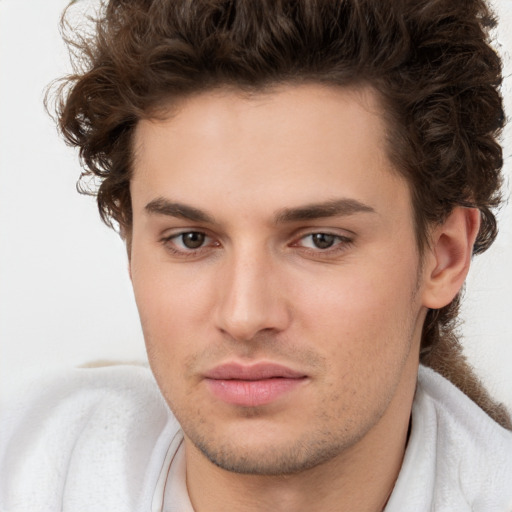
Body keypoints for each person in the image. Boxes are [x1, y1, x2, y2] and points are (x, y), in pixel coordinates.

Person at [1, 0, 511, 510]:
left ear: (444, 258)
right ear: (131, 244)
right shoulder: (25, 463)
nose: (244, 316)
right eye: (191, 239)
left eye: (321, 240)